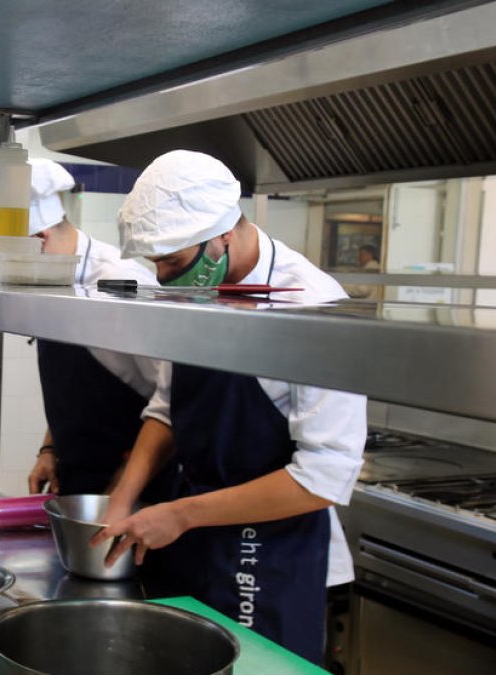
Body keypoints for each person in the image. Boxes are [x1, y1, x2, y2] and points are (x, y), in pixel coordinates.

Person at [96, 150, 366, 663]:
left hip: (272, 554)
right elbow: (167, 405)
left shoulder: (313, 303)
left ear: (223, 234)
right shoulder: (197, 292)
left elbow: (325, 476)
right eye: (157, 264)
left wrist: (180, 514)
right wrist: (123, 497)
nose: (166, 277)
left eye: (174, 262)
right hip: (194, 537)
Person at [0, 153, 160, 495]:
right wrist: (50, 448)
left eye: (5, 261)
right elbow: (76, 392)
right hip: (77, 474)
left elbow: (175, 400)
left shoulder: (122, 286)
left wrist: (128, 482)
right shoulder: (49, 282)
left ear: (39, 238)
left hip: (141, 487)